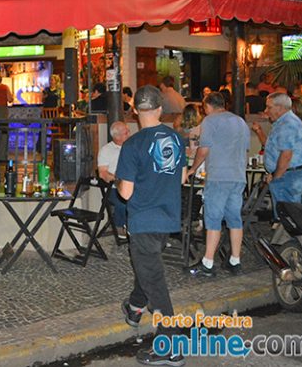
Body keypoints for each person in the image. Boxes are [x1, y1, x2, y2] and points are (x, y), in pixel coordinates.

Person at [115, 85, 187, 366]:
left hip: (143, 220)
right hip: (167, 219)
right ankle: (135, 307)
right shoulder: (176, 138)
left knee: (154, 282)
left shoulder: (132, 144)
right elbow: (182, 178)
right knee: (147, 268)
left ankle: (171, 345)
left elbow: (126, 193)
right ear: (160, 109)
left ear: (135, 110)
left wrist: (118, 181)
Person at [189, 92, 250, 277]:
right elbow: (246, 149)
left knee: (213, 219)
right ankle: (235, 260)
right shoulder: (240, 121)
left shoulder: (210, 121)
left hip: (219, 176)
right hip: (238, 176)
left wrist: (193, 169)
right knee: (234, 219)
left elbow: (204, 149)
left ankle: (208, 262)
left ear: (208, 106)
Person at [263, 93, 302, 219]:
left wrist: (276, 176)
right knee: (296, 214)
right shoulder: (286, 122)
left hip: (288, 177)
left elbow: (286, 155)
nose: (266, 111)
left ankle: (286, 232)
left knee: (287, 216)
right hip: (292, 174)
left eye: (269, 107)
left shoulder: (287, 125)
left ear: (280, 107)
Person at [97, 121, 131, 239]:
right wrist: (117, 178)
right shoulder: (106, 150)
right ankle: (119, 226)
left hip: (133, 184)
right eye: (126, 132)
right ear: (117, 136)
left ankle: (151, 232)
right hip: (114, 187)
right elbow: (103, 173)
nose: (129, 133)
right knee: (123, 200)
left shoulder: (133, 147)